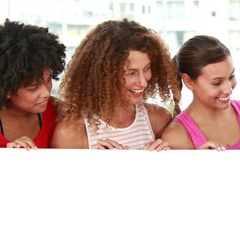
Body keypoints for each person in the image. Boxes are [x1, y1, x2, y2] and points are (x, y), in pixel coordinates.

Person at [51, 19, 180, 150]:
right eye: (131, 73)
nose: (143, 82)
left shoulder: (159, 119)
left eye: (147, 68)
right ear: (104, 75)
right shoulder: (70, 134)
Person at [0, 19, 66, 149]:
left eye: (49, 80)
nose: (46, 92)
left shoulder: (60, 112)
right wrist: (6, 159)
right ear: (6, 90)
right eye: (33, 88)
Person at [161, 35, 240, 150]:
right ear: (189, 81)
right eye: (217, 83)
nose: (229, 90)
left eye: (231, 76)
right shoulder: (176, 136)